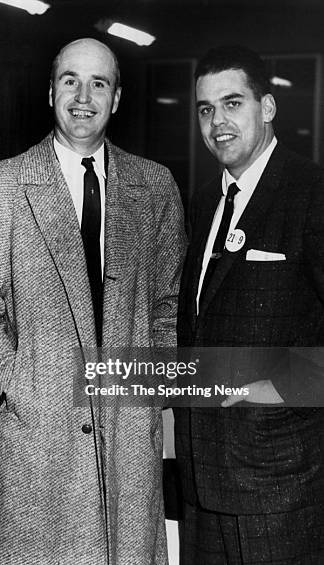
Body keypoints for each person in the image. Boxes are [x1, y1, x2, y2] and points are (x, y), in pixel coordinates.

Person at [0, 38, 186, 564]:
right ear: (49, 90)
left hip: (126, 440)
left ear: (117, 97)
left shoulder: (155, 187)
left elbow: (169, 303)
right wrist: (14, 390)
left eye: (99, 83)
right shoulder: (1, 185)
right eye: (70, 80)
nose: (83, 95)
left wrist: (152, 384)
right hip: (35, 442)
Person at [175, 45, 324, 564]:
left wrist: (282, 385)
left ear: (267, 107)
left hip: (280, 482)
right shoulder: (202, 202)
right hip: (202, 480)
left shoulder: (311, 193)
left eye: (232, 103)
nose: (218, 122)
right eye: (205, 109)